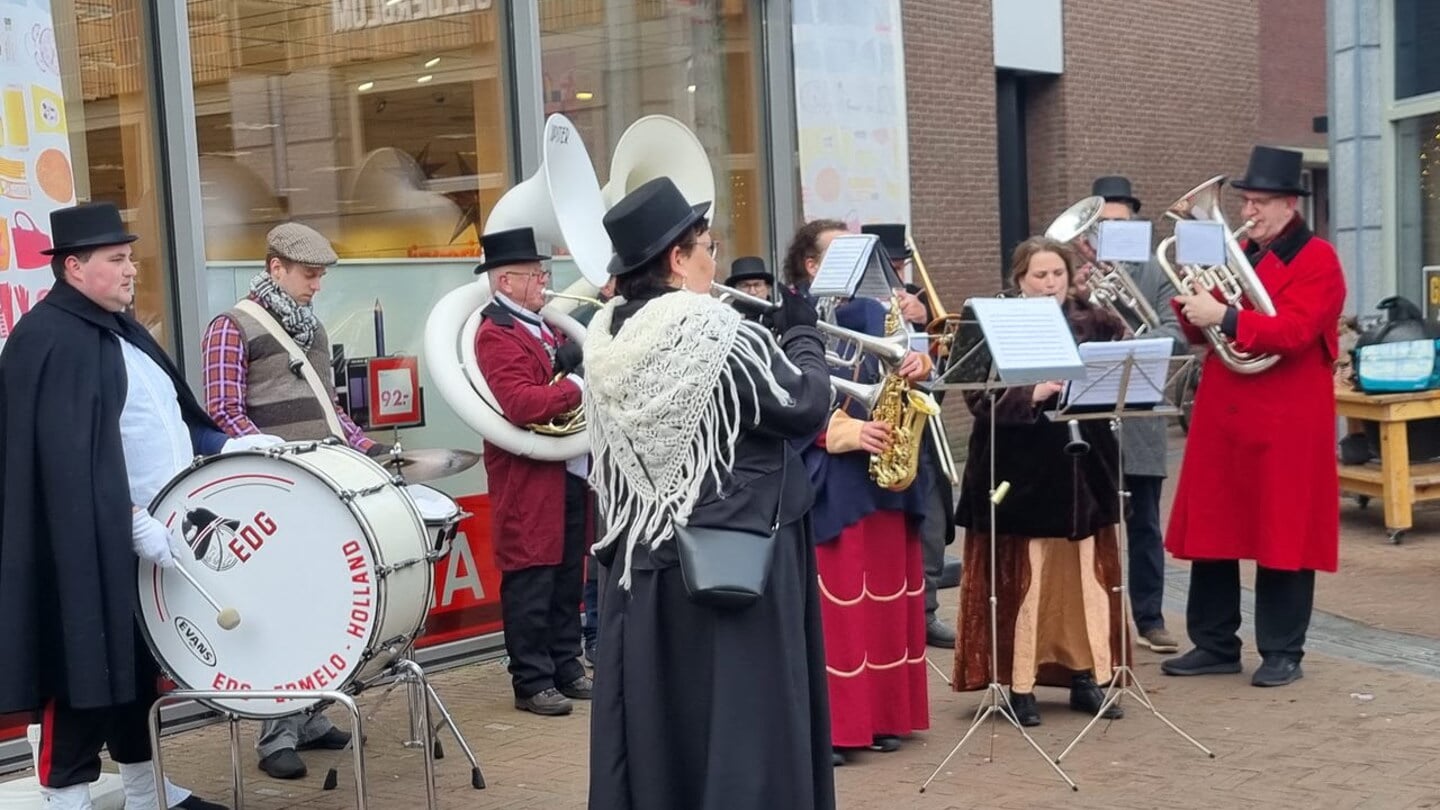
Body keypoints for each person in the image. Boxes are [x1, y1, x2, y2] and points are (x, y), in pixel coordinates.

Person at [584, 178, 835, 810]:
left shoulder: (608, 335)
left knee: (664, 729)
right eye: (707, 248)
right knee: (741, 729)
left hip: (647, 568)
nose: (713, 261)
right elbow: (801, 405)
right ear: (676, 259)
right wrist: (802, 335)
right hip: (731, 565)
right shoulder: (708, 329)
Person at [0, 202, 254, 810]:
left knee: (134, 670)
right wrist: (127, 518)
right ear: (73, 267)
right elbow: (61, 463)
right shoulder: (46, 339)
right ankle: (67, 797)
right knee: (79, 668)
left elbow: (169, 421)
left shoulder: (127, 333)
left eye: (130, 257)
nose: (131, 269)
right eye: (116, 260)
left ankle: (146, 789)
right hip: (81, 544)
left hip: (152, 536)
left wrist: (229, 443)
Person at [1163, 146, 1345, 687]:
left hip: (1287, 415)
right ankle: (1215, 644)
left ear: (1291, 204)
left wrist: (1226, 313)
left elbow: (1293, 332)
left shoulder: (1319, 260)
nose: (1248, 213)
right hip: (1227, 410)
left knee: (1283, 532)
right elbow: (1205, 331)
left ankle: (1282, 651)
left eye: (1260, 203)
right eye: (1245, 201)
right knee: (1214, 530)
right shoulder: (1241, 251)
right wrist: (1191, 301)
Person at [199, 222, 374, 779]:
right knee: (284, 613)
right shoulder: (231, 326)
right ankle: (275, 733)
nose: (316, 285)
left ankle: (312, 716)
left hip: (322, 488)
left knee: (327, 606)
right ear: (275, 267)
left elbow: (329, 409)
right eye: (308, 274)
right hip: (273, 498)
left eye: (321, 275)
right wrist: (275, 468)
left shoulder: (313, 329)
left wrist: (370, 449)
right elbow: (225, 412)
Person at [950, 235, 1128, 727]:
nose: (1050, 284)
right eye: (1039, 276)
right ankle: (1019, 682)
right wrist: (1030, 393)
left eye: (1057, 275)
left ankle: (1084, 674)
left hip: (1083, 469)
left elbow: (1126, 371)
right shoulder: (997, 323)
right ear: (1019, 281)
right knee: (1028, 578)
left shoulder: (1094, 321)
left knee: (1080, 579)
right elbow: (976, 398)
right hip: (1019, 471)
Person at [786, 220, 933, 764]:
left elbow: (909, 373)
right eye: (842, 253)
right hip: (834, 476)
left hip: (886, 475)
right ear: (811, 265)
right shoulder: (793, 319)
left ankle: (883, 716)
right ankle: (837, 728)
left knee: (887, 600)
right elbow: (784, 398)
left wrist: (920, 363)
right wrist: (838, 433)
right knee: (840, 610)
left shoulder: (876, 312)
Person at [473, 227, 592, 715]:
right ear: (505, 280)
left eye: (544, 273)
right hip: (527, 475)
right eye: (536, 274)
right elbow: (521, 403)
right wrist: (577, 386)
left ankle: (566, 665)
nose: (545, 282)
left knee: (567, 574)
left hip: (565, 467)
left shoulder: (547, 326)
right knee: (531, 579)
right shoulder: (496, 333)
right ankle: (531, 680)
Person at [1084, 175, 1185, 654]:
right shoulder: (1072, 270)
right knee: (1087, 522)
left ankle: (1150, 618)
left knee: (1143, 522)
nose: (1112, 232)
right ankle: (1093, 620)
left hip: (1140, 411)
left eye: (1121, 223)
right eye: (1102, 224)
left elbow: (1177, 331)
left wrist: (1135, 338)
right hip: (1087, 413)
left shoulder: (1156, 272)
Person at [861, 222, 960, 649]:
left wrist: (923, 324)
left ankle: (927, 611)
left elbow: (952, 360)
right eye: (889, 262)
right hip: (880, 424)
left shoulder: (918, 300)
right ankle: (888, 616)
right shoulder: (852, 304)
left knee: (933, 522)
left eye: (900, 262)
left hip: (922, 425)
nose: (897, 270)